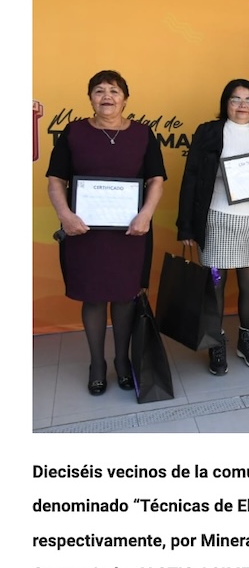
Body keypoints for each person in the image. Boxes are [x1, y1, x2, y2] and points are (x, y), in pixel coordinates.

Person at [46, 69, 167, 395]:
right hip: (84, 233)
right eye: (99, 91)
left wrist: (146, 215)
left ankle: (122, 362)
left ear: (125, 99)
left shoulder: (143, 134)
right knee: (94, 297)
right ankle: (97, 364)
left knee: (126, 297)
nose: (107, 97)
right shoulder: (73, 132)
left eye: (114, 91)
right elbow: (56, 180)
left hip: (131, 231)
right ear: (90, 98)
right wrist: (65, 216)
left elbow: (156, 179)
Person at [177, 77, 249, 374]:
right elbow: (191, 178)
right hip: (216, 219)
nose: (242, 105)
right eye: (236, 99)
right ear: (226, 103)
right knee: (215, 288)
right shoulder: (208, 132)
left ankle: (246, 338)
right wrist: (186, 226)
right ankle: (216, 342)